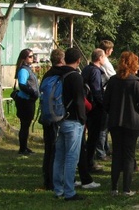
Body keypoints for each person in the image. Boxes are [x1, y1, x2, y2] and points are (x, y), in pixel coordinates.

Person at [104, 51, 139, 197]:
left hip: (115, 121)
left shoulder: (112, 81)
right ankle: (126, 189)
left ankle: (113, 187)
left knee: (117, 153)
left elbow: (106, 103)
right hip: (132, 121)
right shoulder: (135, 82)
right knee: (129, 155)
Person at [52, 48, 87, 201]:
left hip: (60, 118)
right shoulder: (75, 76)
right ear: (78, 60)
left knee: (59, 156)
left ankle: (58, 190)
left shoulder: (59, 74)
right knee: (72, 157)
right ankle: (69, 191)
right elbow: (80, 100)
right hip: (73, 120)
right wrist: (83, 119)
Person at [41, 48, 65, 190]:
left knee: (49, 148)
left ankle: (47, 178)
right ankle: (55, 179)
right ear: (62, 60)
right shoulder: (63, 75)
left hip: (47, 116)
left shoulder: (47, 75)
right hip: (59, 115)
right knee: (59, 150)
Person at [81, 48, 107, 173]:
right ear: (100, 58)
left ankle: (86, 161)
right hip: (94, 107)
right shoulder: (95, 72)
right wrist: (103, 104)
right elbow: (97, 90)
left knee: (90, 135)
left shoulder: (86, 69)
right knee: (93, 136)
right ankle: (89, 163)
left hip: (87, 106)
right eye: (104, 57)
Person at [13, 48, 39, 155]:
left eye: (33, 56)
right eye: (30, 56)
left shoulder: (28, 69)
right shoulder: (23, 70)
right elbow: (22, 85)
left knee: (26, 125)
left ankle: (24, 147)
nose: (32, 58)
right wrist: (32, 93)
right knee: (24, 125)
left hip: (29, 100)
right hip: (25, 101)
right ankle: (22, 148)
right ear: (24, 58)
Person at [96, 40, 116, 161]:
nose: (112, 51)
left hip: (105, 94)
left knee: (105, 126)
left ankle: (105, 148)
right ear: (108, 50)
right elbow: (113, 77)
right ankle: (101, 152)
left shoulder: (103, 62)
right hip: (106, 95)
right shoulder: (106, 63)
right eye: (112, 49)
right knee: (103, 127)